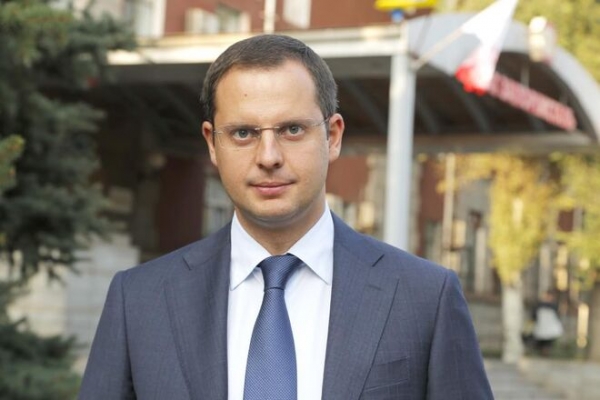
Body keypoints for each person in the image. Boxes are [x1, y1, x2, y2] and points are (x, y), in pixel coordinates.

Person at [78, 34, 493, 400]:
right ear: (212, 144)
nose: (269, 157)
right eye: (243, 133)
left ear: (332, 136)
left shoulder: (424, 298)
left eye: (292, 129)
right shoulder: (139, 301)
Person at [532, 290, 563, 357]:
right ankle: (542, 352)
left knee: (548, 341)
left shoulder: (553, 305)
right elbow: (534, 314)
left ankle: (546, 352)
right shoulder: (539, 305)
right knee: (542, 340)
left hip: (550, 326)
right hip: (542, 326)